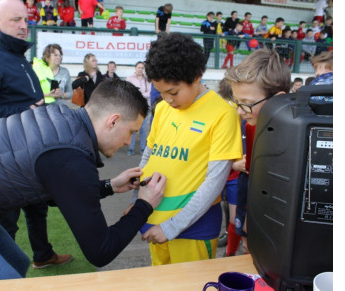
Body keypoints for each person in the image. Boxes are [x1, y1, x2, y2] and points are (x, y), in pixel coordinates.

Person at [0, 78, 167, 283]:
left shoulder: (61, 116)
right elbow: (100, 250)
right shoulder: (70, 157)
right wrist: (144, 206)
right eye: (131, 132)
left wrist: (109, 186)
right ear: (113, 120)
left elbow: (59, 190)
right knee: (12, 285)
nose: (129, 142)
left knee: (17, 261)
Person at [0, 0, 72, 271]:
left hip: (27, 155)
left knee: (37, 208)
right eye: (15, 20)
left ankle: (43, 255)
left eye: (25, 20)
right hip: (1, 159)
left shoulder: (17, 57)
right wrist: (26, 110)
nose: (24, 26)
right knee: (5, 222)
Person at [124, 33, 242, 265]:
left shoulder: (223, 113)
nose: (167, 99)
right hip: (154, 220)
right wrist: (137, 201)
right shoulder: (163, 109)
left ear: (197, 77)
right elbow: (149, 157)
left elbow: (214, 182)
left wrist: (171, 227)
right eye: (161, 92)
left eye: (173, 92)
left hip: (191, 229)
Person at [225, 49, 291, 255]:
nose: (239, 111)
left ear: (278, 99)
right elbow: (252, 178)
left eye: (246, 103)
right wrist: (246, 221)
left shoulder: (298, 134)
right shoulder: (251, 125)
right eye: (236, 102)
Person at [216, 77, 246, 256]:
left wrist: (236, 163)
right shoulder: (218, 116)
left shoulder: (245, 121)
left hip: (235, 177)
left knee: (236, 218)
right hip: (218, 175)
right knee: (216, 211)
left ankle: (230, 253)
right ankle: (227, 238)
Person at [126, 61, 152, 156]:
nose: (140, 69)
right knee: (133, 128)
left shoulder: (147, 79)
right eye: (138, 67)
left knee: (143, 129)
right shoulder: (129, 79)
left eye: (142, 68)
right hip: (134, 108)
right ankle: (131, 148)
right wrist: (140, 95)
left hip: (145, 107)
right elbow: (129, 92)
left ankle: (142, 148)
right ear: (135, 68)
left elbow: (149, 92)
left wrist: (138, 94)